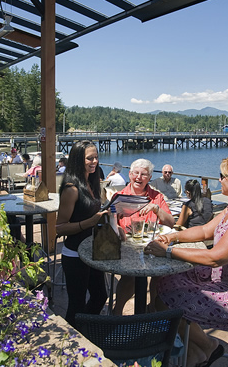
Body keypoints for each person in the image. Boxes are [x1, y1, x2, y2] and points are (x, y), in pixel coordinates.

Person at [143, 154, 228, 367]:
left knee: (164, 300)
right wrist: (173, 236)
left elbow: (216, 257)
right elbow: (204, 231)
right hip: (221, 279)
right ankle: (195, 354)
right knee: (163, 281)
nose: (219, 180)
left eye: (222, 176)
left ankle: (209, 346)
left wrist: (167, 251)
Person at [112, 158, 175, 315]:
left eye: (144, 174)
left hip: (152, 247)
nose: (139, 177)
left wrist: (157, 210)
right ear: (130, 174)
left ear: (149, 178)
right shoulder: (119, 196)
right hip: (128, 247)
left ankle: (152, 309)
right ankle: (117, 311)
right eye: (136, 173)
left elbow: (171, 223)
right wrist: (118, 228)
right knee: (131, 277)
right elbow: (111, 223)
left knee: (160, 276)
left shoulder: (156, 197)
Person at [56, 140, 109, 328]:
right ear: (79, 160)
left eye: (96, 157)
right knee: (76, 304)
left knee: (100, 296)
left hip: (93, 250)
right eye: (90, 158)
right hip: (75, 254)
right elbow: (60, 227)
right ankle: (72, 340)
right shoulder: (71, 189)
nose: (94, 161)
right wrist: (90, 221)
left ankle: (83, 330)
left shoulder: (93, 183)